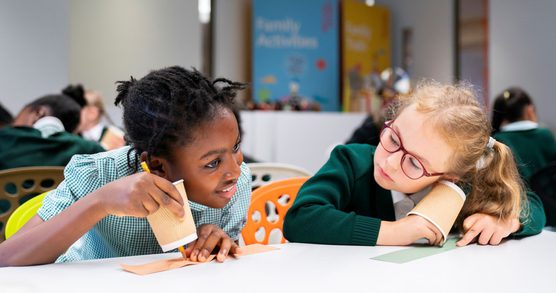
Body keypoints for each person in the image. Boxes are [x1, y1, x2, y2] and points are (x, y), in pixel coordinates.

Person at [0, 66, 251, 266]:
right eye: (213, 163)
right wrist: (101, 202)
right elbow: (5, 259)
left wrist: (220, 244)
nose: (235, 170)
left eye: (236, 146)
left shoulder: (236, 185)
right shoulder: (99, 173)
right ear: (157, 165)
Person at [284, 81, 546, 247]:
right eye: (393, 138)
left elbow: (533, 205)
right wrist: (397, 232)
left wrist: (507, 222)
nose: (390, 161)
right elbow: (299, 218)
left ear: (450, 176)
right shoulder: (351, 161)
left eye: (413, 163)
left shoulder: (464, 187)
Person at [0, 94, 104, 170]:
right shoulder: (91, 150)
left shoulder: (6, 138)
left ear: (38, 113)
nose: (13, 125)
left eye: (16, 119)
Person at [491, 87, 556, 181]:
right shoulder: (545, 134)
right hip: (548, 195)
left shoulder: (497, 140)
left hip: (514, 195)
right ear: (529, 110)